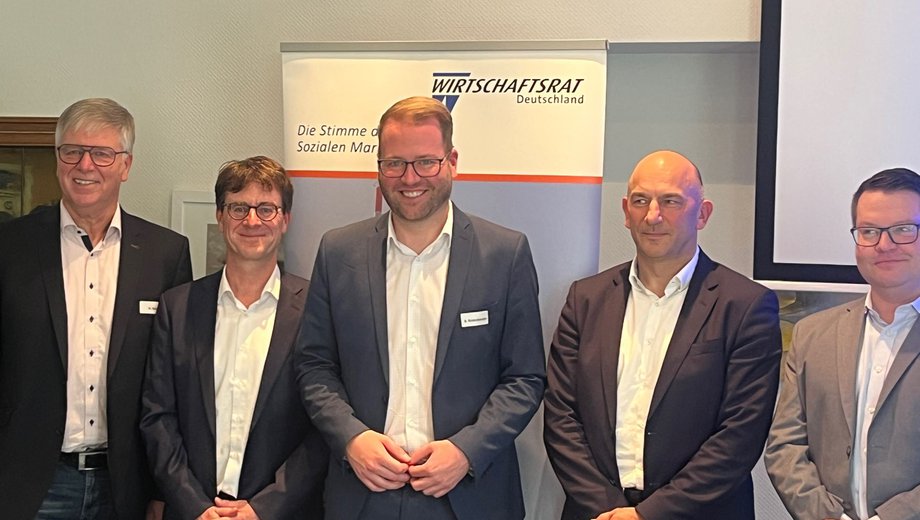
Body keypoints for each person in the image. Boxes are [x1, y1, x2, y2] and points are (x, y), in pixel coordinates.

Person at [294, 96, 545, 520]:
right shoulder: (338, 252)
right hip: (363, 494)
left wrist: (466, 451)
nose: (410, 178)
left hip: (469, 495)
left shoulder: (505, 254)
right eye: (395, 163)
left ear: (452, 162)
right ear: (379, 167)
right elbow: (314, 366)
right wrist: (351, 438)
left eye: (426, 162)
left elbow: (525, 377)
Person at [544, 150, 782, 520]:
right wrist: (608, 510)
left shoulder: (746, 306)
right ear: (626, 212)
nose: (652, 216)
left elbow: (739, 435)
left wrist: (647, 515)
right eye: (641, 201)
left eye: (671, 201)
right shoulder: (585, 299)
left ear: (702, 214)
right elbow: (561, 415)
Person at [0, 98, 192, 519]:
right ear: (58, 159)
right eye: (72, 151)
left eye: (102, 153)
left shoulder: (166, 254)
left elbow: (175, 383)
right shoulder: (10, 247)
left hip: (127, 486)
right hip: (29, 485)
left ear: (125, 165)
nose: (85, 165)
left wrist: (164, 488)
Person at [140, 156, 327, 520]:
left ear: (285, 219)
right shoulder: (177, 308)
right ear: (220, 216)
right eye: (238, 208)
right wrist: (195, 505)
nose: (252, 221)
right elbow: (157, 418)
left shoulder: (317, 309)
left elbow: (321, 428)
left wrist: (264, 508)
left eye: (266, 209)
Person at [765, 168, 920, 520]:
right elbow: (784, 447)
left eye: (903, 230)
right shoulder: (811, 335)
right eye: (869, 231)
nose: (884, 245)